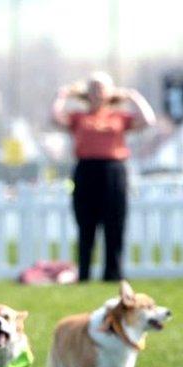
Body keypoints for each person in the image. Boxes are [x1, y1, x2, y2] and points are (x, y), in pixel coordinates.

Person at [52, 72, 155, 282]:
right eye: (93, 88)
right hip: (86, 170)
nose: (97, 92)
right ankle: (85, 274)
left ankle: (113, 274)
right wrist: (61, 97)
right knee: (86, 224)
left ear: (109, 92)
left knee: (114, 224)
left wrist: (134, 97)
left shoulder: (119, 118)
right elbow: (54, 119)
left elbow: (148, 121)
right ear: (86, 93)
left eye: (101, 88)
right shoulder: (78, 117)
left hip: (113, 170)